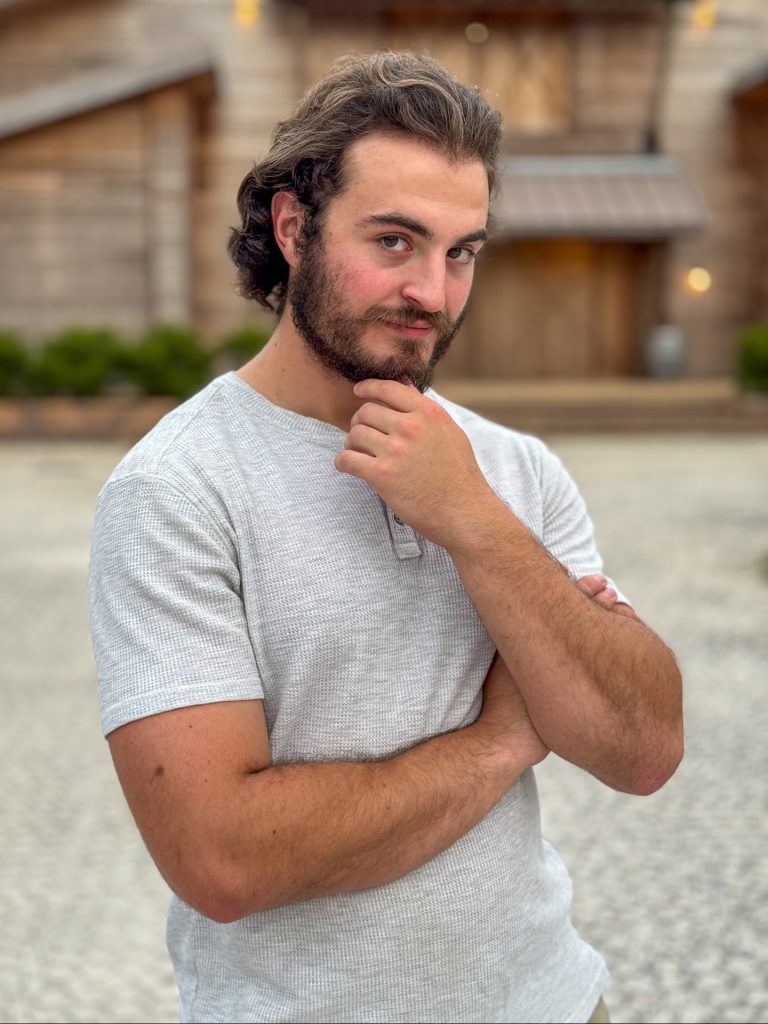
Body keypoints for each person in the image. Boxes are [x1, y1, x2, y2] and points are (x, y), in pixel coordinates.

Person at [89, 50, 683, 1024]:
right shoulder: (175, 490)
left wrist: (475, 522)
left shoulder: (513, 468)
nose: (432, 292)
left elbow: (644, 749)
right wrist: (502, 740)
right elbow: (222, 858)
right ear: (294, 228)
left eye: (461, 252)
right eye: (396, 240)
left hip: (555, 1002)